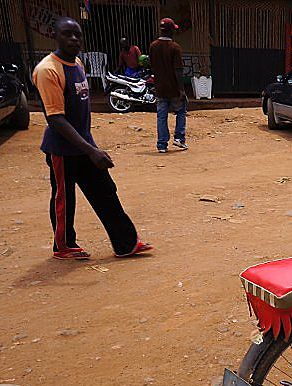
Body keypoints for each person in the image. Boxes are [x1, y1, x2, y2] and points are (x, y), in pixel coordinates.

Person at [33, 17, 152, 260]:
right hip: (62, 150)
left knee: (106, 191)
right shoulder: (47, 70)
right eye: (67, 34)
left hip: (85, 146)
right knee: (64, 198)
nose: (74, 39)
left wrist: (91, 148)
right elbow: (55, 119)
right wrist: (91, 150)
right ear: (55, 36)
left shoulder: (77, 64)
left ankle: (126, 243)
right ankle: (64, 246)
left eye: (77, 34)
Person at [149, 18, 188, 151]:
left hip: (159, 87)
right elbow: (178, 70)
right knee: (181, 110)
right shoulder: (175, 47)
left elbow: (152, 66)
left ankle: (161, 144)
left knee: (161, 116)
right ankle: (179, 138)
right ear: (171, 31)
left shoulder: (153, 46)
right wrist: (182, 90)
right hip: (173, 88)